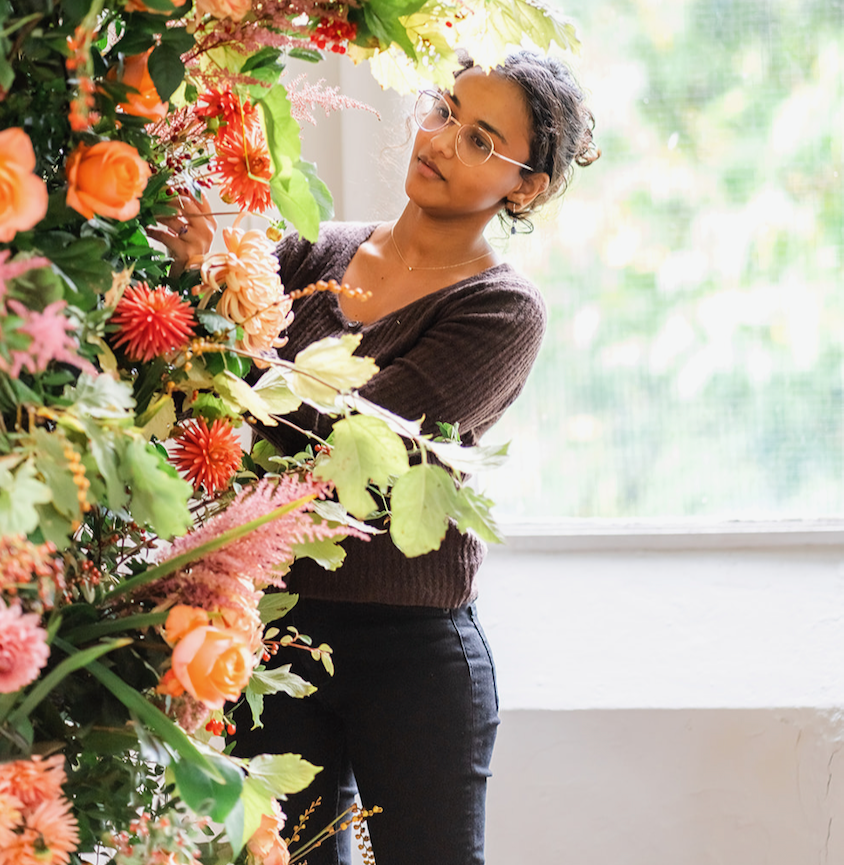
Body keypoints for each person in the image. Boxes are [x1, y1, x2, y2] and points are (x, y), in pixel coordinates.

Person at [236, 49, 598, 865]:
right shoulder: (303, 257)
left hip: (411, 651)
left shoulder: (501, 308)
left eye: (479, 139)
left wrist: (248, 387)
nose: (436, 140)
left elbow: (363, 447)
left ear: (524, 186)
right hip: (271, 632)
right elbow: (203, 395)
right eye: (442, 111)